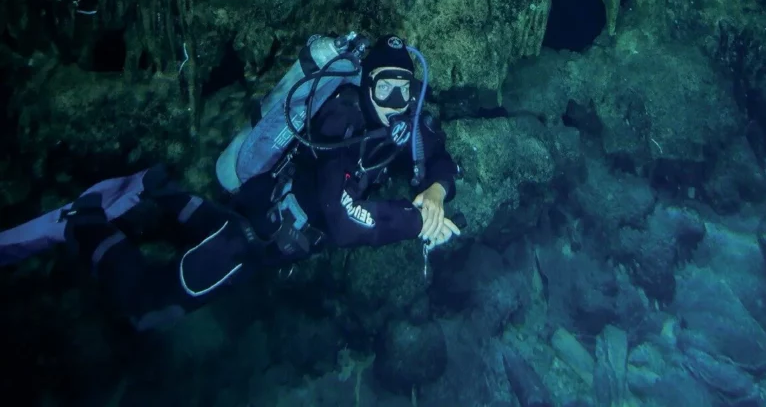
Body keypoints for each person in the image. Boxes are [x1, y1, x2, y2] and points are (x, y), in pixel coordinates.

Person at [46, 35, 461, 330]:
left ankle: (161, 189)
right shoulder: (342, 122)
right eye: (384, 88)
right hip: (253, 233)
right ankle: (84, 224)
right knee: (148, 309)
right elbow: (342, 222)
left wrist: (436, 192)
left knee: (203, 227)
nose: (394, 103)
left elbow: (441, 158)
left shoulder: (403, 121)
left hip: (264, 222)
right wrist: (417, 220)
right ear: (366, 85)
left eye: (403, 90)